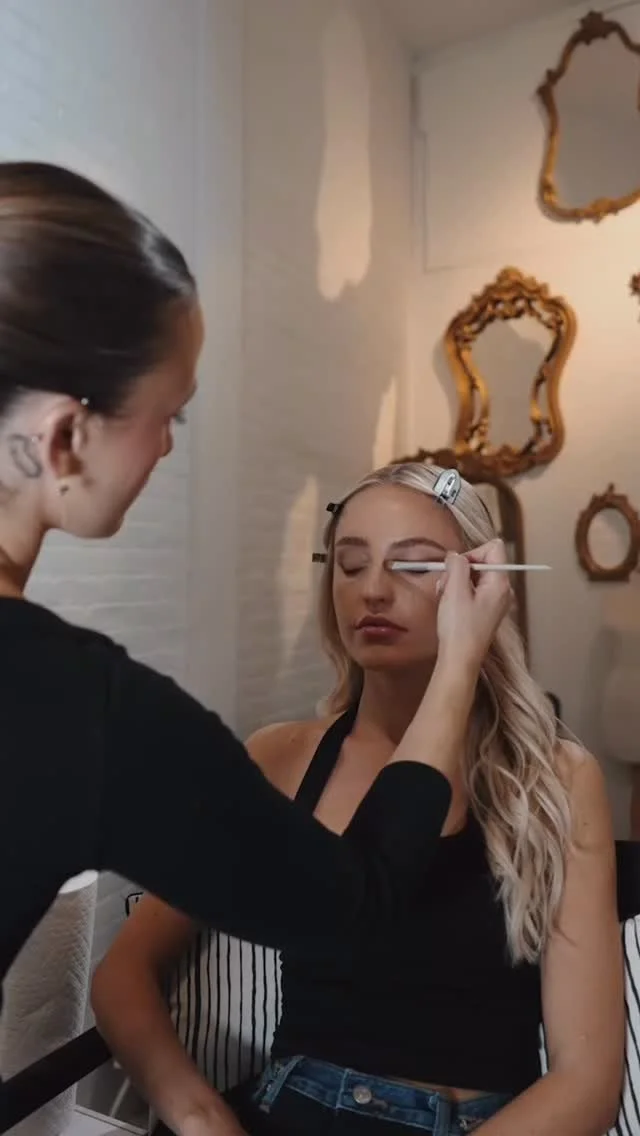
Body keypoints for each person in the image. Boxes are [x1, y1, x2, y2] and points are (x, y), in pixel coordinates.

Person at [0, 162, 511, 1078]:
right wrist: (461, 660)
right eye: (170, 416)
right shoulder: (81, 707)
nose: (167, 446)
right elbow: (358, 903)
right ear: (66, 438)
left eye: (411, 565)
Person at [92, 462, 624, 1136]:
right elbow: (124, 972)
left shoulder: (557, 779)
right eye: (349, 564)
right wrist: (200, 1116)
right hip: (294, 1111)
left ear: (482, 585)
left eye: (414, 565)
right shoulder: (280, 758)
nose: (372, 589)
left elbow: (586, 1083)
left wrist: (462, 661)